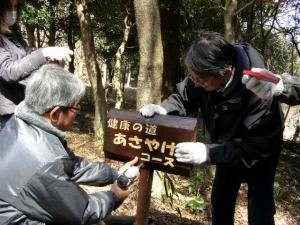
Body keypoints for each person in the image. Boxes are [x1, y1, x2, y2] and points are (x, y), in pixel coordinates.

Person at [140, 31, 284, 225]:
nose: (195, 82)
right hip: (224, 144)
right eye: (193, 77)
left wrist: (208, 153)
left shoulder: (259, 91)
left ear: (225, 73)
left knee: (260, 207)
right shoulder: (203, 73)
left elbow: (252, 149)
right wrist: (163, 109)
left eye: (199, 79)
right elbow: (184, 97)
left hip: (260, 151)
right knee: (220, 200)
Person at [0, 64, 139, 225]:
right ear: (56, 114)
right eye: (76, 108)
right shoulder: (44, 161)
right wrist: (114, 196)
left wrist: (116, 173)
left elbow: (72, 166)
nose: (78, 113)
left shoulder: (21, 122)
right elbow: (82, 212)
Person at [0, 0, 73, 128]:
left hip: (24, 104)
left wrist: (46, 59)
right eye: (7, 6)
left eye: (15, 6)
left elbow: (26, 58)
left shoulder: (14, 31)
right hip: (9, 109)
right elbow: (8, 71)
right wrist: (42, 53)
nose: (12, 11)